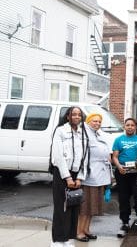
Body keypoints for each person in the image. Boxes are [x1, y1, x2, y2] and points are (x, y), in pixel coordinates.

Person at [50, 106, 89, 247]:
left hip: (76, 174)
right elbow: (58, 156)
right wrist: (67, 178)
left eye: (79, 115)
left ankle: (68, 239)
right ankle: (58, 241)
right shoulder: (60, 131)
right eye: (74, 114)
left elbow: (85, 157)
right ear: (68, 116)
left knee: (73, 208)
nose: (77, 117)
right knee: (62, 207)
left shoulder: (82, 133)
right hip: (61, 173)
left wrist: (79, 178)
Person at [76, 113, 112, 242]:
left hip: (100, 176)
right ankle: (79, 232)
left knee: (93, 207)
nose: (97, 123)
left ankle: (86, 230)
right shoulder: (84, 134)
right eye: (94, 121)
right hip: (89, 176)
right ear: (88, 121)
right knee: (85, 207)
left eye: (99, 122)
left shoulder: (97, 134)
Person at [112, 118, 137, 238]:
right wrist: (119, 166)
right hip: (122, 172)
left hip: (136, 173)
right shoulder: (118, 140)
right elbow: (115, 156)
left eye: (132, 125)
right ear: (124, 127)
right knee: (123, 198)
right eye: (128, 125)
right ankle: (125, 222)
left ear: (135, 127)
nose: (130, 127)